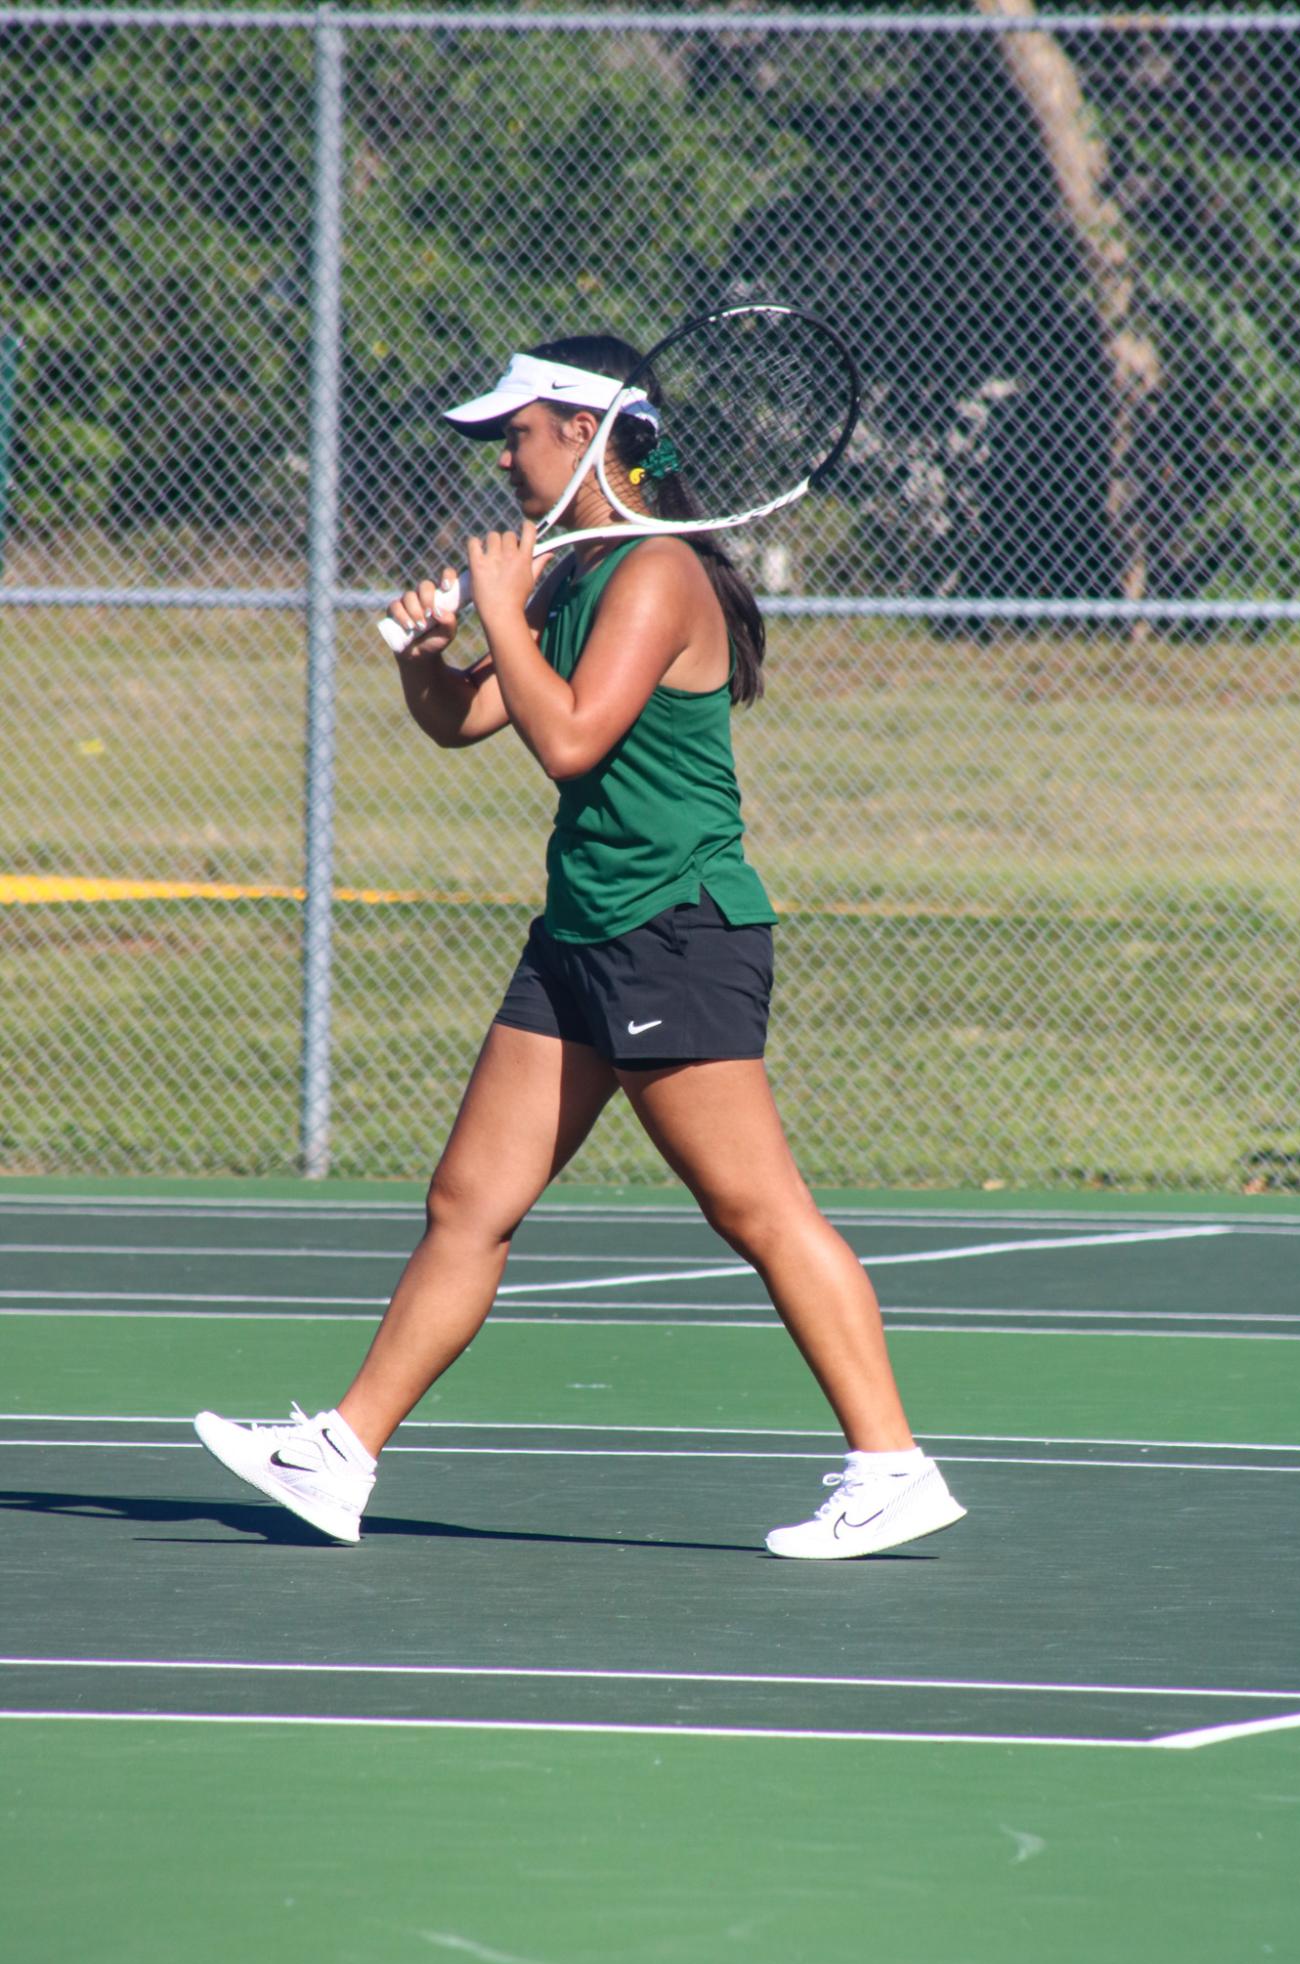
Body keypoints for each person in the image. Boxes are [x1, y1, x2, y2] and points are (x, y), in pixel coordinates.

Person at [194, 334, 966, 1560]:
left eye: (518, 431)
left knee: (754, 1207)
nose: (503, 454)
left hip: (673, 931)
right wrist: (425, 655)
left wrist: (498, 608)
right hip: (581, 930)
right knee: (467, 1203)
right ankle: (339, 1452)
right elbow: (473, 720)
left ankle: (892, 1466)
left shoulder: (656, 576)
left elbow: (569, 743)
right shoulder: (573, 572)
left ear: (586, 436)